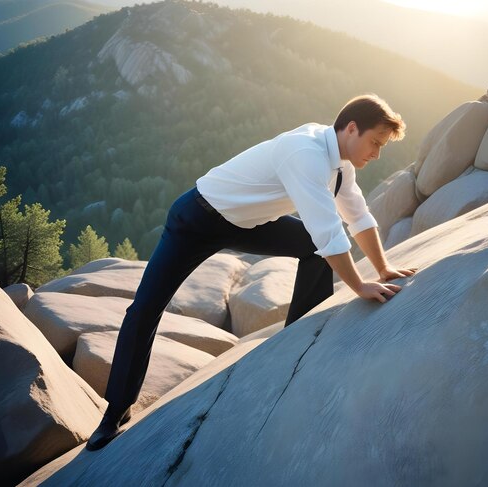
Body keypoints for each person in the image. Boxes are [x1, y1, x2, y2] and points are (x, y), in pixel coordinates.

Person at [86, 93, 416, 451]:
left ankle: (301, 340)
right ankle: (114, 412)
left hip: (248, 224)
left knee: (312, 247)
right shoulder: (305, 153)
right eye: (375, 143)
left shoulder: (341, 166)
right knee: (145, 310)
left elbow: (357, 217)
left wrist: (382, 268)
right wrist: (359, 286)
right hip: (196, 219)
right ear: (351, 129)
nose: (377, 153)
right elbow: (329, 234)